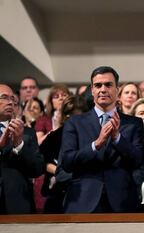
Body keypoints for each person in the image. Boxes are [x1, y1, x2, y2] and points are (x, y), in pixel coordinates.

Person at [60, 66, 144, 213]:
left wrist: (118, 138)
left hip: (123, 202)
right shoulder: (74, 123)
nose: (103, 89)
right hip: (83, 202)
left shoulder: (134, 123)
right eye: (98, 85)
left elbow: (138, 160)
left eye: (108, 85)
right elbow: (67, 161)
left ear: (117, 90)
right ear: (92, 90)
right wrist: (96, 145)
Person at [0, 84, 44, 214]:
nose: (10, 102)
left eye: (12, 99)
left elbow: (37, 169)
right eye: (4, 98)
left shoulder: (27, 133)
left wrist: (19, 144)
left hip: (18, 205)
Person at [40, 95, 88, 213]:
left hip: (85, 192)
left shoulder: (92, 137)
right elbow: (41, 161)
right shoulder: (54, 137)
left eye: (78, 116)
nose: (73, 120)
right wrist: (59, 171)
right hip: (58, 192)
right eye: (69, 116)